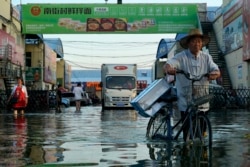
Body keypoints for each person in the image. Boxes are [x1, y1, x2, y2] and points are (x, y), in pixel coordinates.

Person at [163, 28, 221, 140]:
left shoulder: (206, 57)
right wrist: (169, 69)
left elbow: (215, 69)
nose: (197, 44)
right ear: (188, 43)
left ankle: (202, 145)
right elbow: (169, 64)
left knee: (203, 126)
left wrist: (214, 74)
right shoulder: (181, 56)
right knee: (187, 128)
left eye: (199, 41)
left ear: (202, 44)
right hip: (185, 96)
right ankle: (186, 144)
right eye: (194, 41)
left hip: (201, 95)